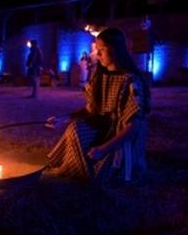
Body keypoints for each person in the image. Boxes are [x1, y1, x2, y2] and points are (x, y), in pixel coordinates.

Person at [46, 28, 151, 184]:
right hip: (102, 129)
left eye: (102, 50)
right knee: (75, 128)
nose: (97, 54)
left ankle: (92, 167)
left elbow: (133, 127)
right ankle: (79, 165)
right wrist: (63, 118)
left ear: (115, 50)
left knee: (101, 174)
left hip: (120, 136)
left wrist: (104, 148)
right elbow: (91, 110)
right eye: (96, 49)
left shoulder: (132, 81)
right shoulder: (100, 76)